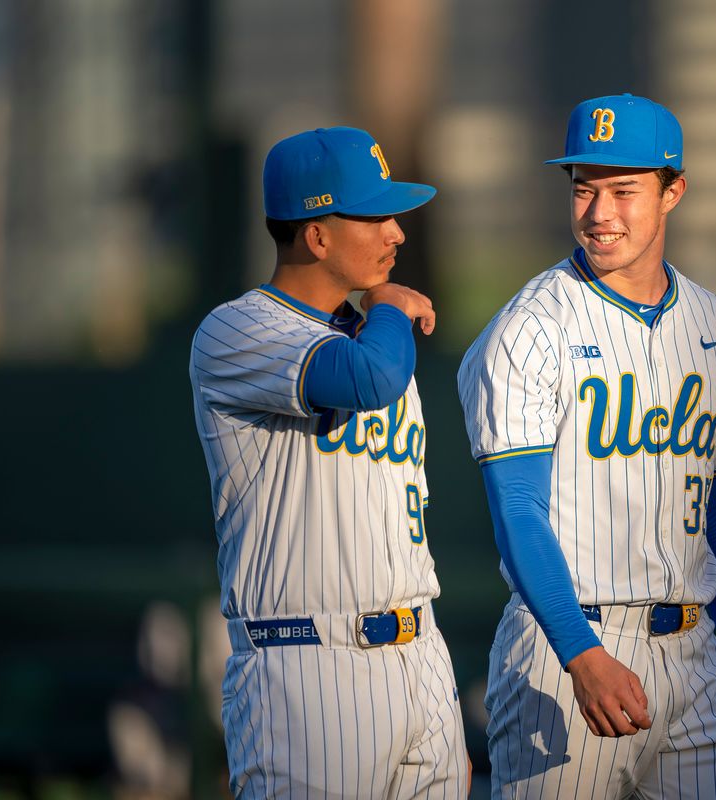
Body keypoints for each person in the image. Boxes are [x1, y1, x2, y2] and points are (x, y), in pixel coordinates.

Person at [457, 93, 716, 798]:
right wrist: (581, 655)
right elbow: (518, 511)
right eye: (583, 188)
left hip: (697, 654)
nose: (598, 212)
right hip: (567, 643)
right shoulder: (530, 328)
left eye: (623, 190)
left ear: (674, 192)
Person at [189, 126, 469, 798]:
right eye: (375, 216)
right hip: (307, 668)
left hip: (420, 654)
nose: (397, 232)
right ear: (317, 236)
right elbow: (366, 380)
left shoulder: (373, 335)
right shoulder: (237, 329)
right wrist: (392, 309)